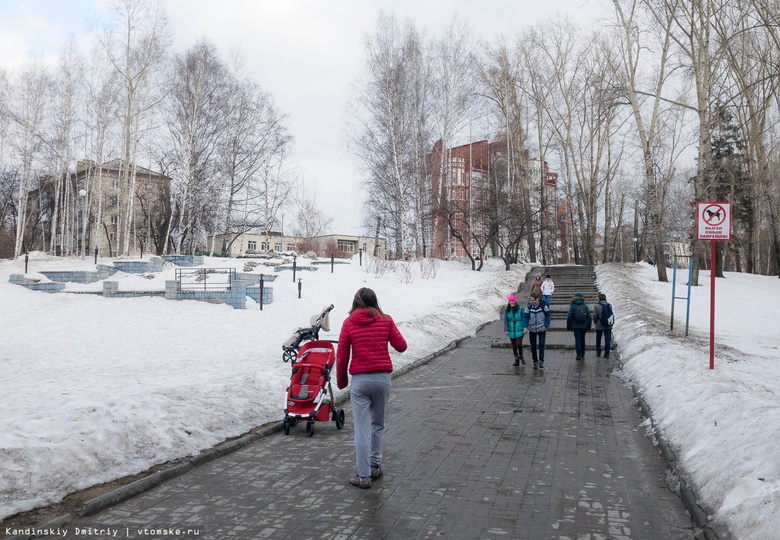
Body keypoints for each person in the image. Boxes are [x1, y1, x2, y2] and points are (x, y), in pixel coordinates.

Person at [337, 287, 407, 489]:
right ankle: (375, 465)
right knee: (378, 424)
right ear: (375, 301)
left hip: (360, 381)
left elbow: (342, 356)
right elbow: (401, 346)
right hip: (383, 379)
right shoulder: (386, 320)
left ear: (355, 303)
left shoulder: (349, 323)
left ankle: (363, 475)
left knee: (361, 430)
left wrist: (342, 381)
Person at [523, 292, 551, 369]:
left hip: (541, 329)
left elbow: (548, 317)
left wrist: (545, 326)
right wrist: (525, 327)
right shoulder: (528, 308)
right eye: (532, 300)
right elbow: (525, 318)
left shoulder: (543, 307)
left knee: (541, 345)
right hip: (532, 329)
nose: (533, 301)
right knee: (533, 346)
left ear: (537, 299)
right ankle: (535, 361)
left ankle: (541, 360)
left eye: (534, 300)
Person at [566, 292, 592, 361]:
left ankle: (578, 354)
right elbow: (589, 316)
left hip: (576, 325)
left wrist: (568, 326)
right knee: (582, 339)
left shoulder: (573, 305)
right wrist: (589, 326)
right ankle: (583, 353)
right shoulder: (585, 305)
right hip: (584, 325)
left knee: (577, 339)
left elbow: (569, 316)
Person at [503, 295, 525, 366]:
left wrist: (525, 327)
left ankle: (521, 355)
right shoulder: (507, 310)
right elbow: (505, 321)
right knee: (513, 345)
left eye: (513, 301)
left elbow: (524, 319)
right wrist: (506, 329)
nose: (511, 302)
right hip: (511, 329)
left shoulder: (520, 309)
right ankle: (516, 359)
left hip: (519, 328)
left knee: (518, 343)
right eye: (510, 301)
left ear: (515, 301)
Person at [592, 293, 613, 359]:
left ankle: (598, 352)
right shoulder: (609, 305)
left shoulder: (596, 306)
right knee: (607, 339)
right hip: (608, 324)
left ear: (599, 298)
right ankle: (607, 353)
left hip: (599, 324)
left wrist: (595, 322)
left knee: (598, 338)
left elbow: (595, 315)